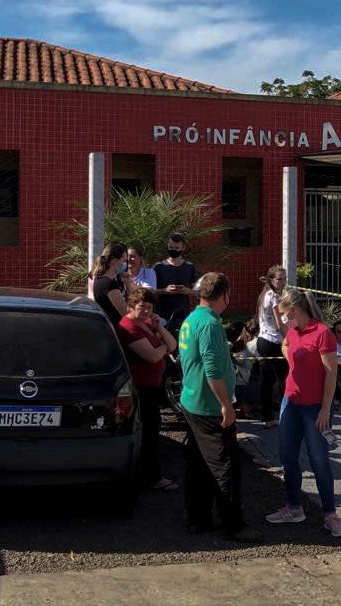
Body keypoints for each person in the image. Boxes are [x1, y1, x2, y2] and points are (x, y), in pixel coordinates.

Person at [179, 272, 262, 543]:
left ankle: (198, 518)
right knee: (225, 467)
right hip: (209, 406)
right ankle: (234, 525)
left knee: (198, 464)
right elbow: (213, 368)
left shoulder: (191, 319)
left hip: (192, 401)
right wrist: (226, 405)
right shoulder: (211, 325)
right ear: (225, 296)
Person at [265, 289, 341, 538]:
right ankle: (293, 507)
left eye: (283, 315)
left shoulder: (323, 333)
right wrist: (290, 359)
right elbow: (286, 344)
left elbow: (331, 373)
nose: (282, 320)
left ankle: (330, 513)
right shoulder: (293, 332)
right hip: (291, 401)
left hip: (314, 407)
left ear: (294, 310)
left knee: (319, 460)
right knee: (287, 455)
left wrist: (325, 408)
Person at [116, 286, 179, 492]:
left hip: (152, 387)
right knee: (148, 433)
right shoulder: (129, 327)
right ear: (131, 306)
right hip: (141, 389)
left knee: (153, 430)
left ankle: (150, 473)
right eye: (142, 307)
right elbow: (152, 356)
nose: (145, 311)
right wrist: (161, 349)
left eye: (149, 307)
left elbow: (173, 344)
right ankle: (152, 477)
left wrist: (159, 327)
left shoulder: (146, 324)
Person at [256, 265, 288, 428]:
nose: (283, 282)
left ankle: (267, 418)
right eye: (280, 279)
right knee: (285, 380)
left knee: (268, 381)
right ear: (271, 280)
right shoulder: (274, 296)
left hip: (263, 341)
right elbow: (278, 323)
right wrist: (289, 338)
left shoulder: (265, 294)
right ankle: (287, 415)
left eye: (285, 278)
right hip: (273, 342)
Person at [154, 233, 197, 329]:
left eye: (176, 248)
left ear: (183, 248)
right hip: (162, 311)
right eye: (170, 247)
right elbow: (150, 290)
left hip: (182, 311)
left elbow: (198, 292)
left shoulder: (189, 267)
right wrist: (165, 290)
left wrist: (188, 290)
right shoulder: (159, 266)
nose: (173, 250)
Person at [90, 242, 128, 326]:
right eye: (124, 261)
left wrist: (128, 283)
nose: (125, 265)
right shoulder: (107, 283)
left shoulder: (114, 280)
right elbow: (125, 313)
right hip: (115, 328)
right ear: (114, 261)